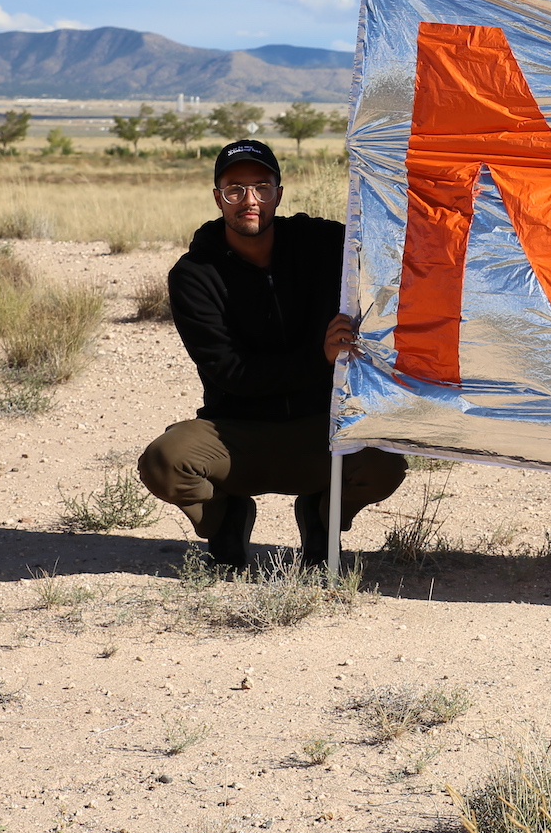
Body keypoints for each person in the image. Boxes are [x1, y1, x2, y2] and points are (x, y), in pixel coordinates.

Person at [138, 139, 406, 570]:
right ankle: (226, 519)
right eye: (235, 189)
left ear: (279, 193)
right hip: (235, 434)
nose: (250, 200)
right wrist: (319, 356)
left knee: (384, 465)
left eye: (262, 187)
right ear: (217, 198)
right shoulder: (194, 275)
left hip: (321, 428)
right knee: (164, 462)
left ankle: (322, 517)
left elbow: (391, 239)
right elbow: (231, 372)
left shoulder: (323, 245)